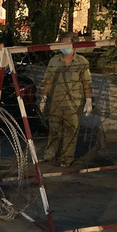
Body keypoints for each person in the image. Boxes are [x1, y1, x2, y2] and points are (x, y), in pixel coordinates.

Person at [40, 31, 93, 167]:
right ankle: (50, 155)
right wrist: (44, 98)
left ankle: (66, 158)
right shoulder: (54, 61)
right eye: (62, 43)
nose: (64, 46)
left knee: (71, 132)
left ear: (74, 44)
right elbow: (48, 80)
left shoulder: (81, 62)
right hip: (56, 102)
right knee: (54, 131)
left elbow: (86, 82)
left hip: (74, 103)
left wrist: (88, 100)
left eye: (67, 43)